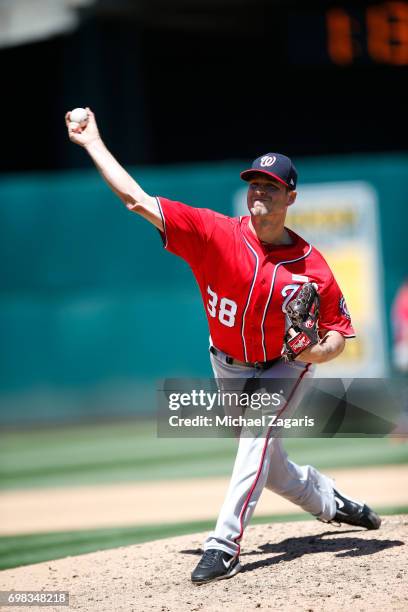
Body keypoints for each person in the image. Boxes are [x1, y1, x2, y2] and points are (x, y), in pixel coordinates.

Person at [65, 108, 381, 585]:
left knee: (254, 439)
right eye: (255, 183)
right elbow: (135, 199)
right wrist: (93, 143)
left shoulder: (311, 266)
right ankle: (329, 501)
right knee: (270, 468)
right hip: (226, 365)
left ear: (290, 196)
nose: (260, 191)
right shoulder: (213, 234)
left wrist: (315, 354)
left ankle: (225, 544)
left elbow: (338, 334)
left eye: (271, 186)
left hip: (283, 366)